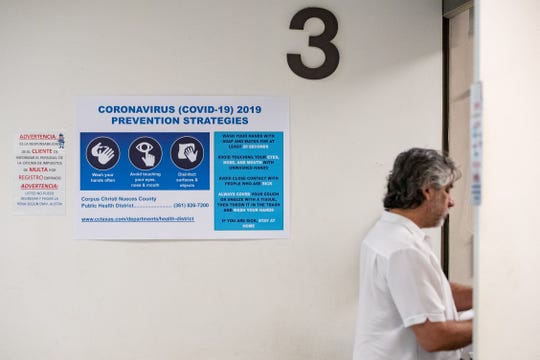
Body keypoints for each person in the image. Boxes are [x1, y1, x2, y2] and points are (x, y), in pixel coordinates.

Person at [353, 148, 473, 360]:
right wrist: (492, 320)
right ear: (427, 191)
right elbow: (434, 337)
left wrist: (489, 299)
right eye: (447, 190)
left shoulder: (386, 232)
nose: (451, 201)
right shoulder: (404, 249)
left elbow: (430, 292)